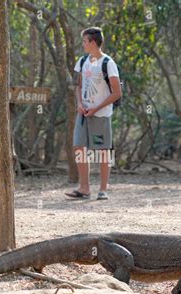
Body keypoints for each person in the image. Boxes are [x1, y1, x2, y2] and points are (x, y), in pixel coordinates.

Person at [65, 27, 121, 200]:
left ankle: (103, 189)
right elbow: (78, 86)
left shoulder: (108, 63)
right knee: (79, 147)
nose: (82, 44)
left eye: (84, 41)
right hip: (83, 114)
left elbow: (117, 92)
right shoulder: (82, 62)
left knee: (103, 151)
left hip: (101, 115)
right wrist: (80, 104)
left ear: (93, 42)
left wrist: (96, 109)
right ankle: (84, 188)